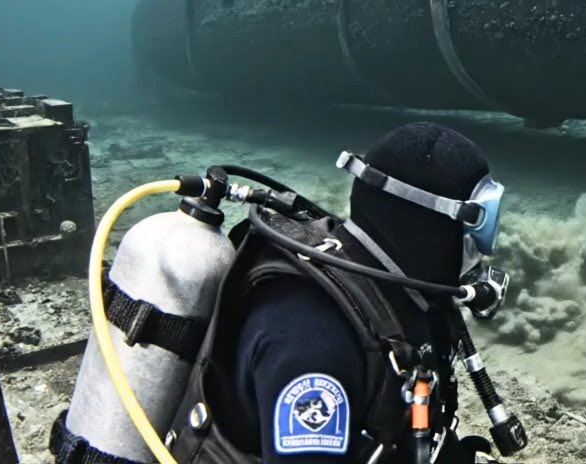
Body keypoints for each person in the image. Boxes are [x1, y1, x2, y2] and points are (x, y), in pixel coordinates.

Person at [163, 122, 511, 463]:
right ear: (426, 223)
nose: (484, 248)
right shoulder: (312, 345)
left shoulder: (401, 290)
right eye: (480, 224)